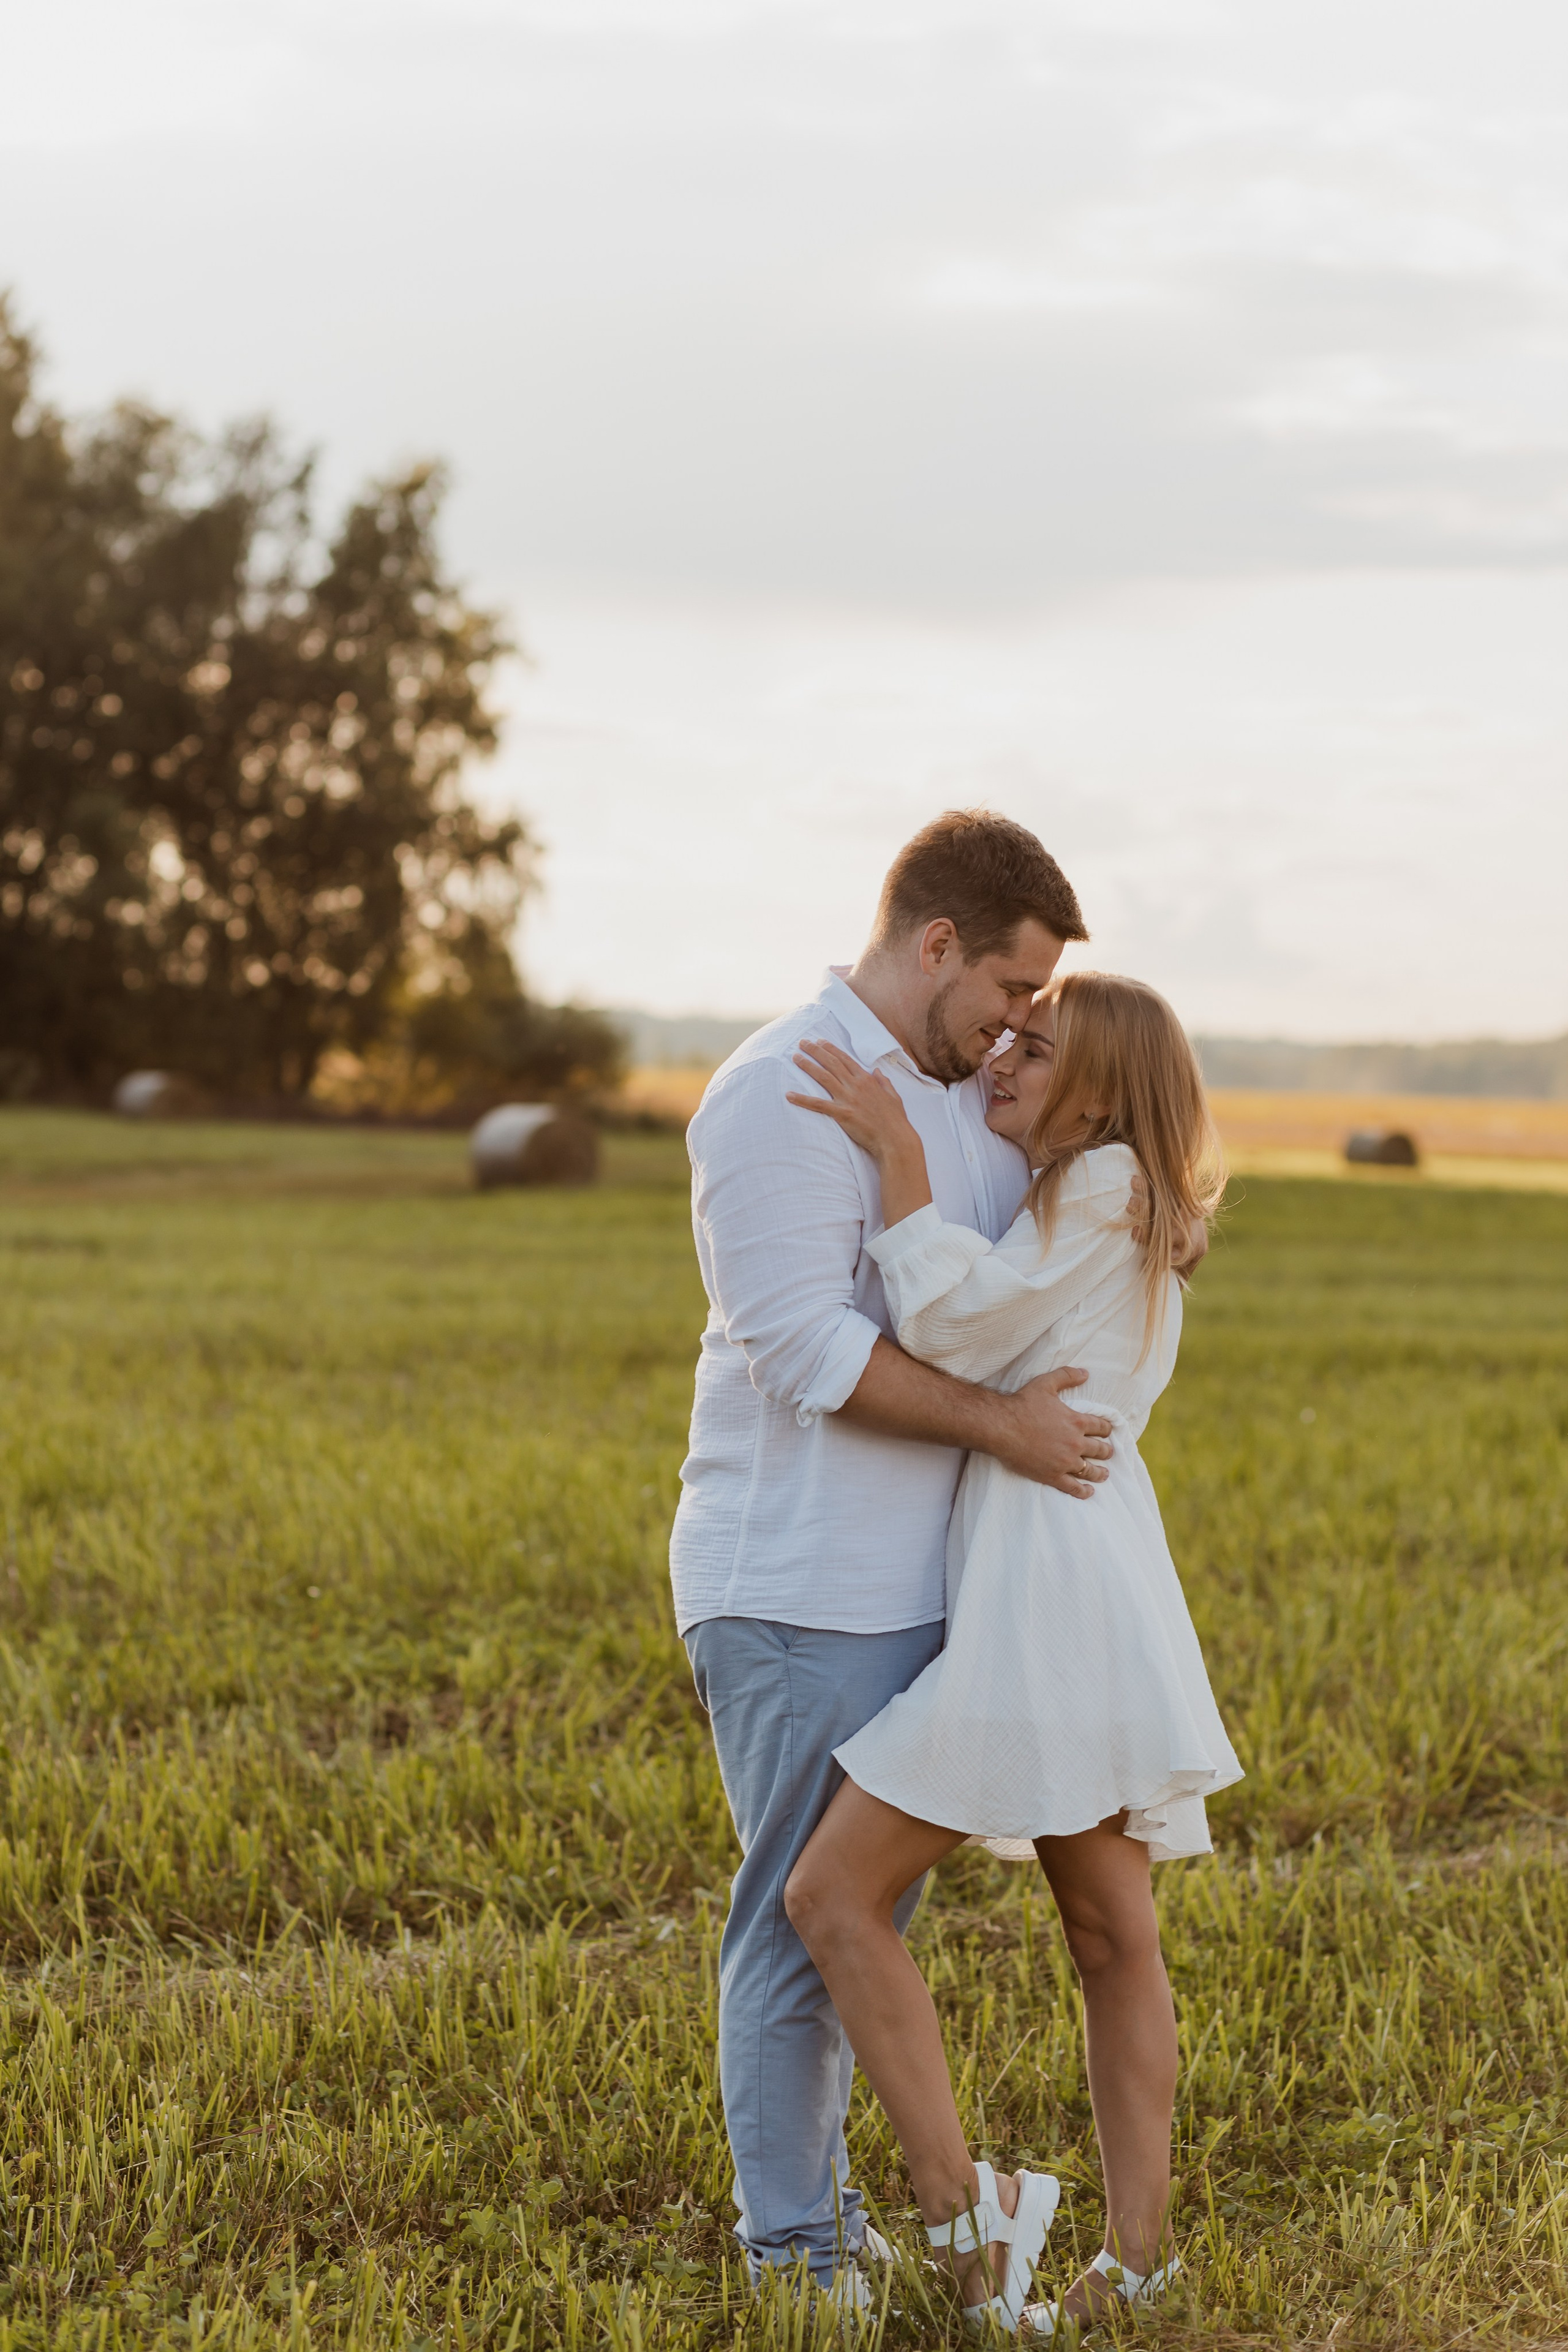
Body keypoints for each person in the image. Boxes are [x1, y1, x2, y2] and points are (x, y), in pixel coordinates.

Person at [670, 811, 1121, 2308]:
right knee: (800, 1922)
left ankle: (835, 2212)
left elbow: (994, 1289)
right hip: (797, 1583)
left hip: (916, 1589)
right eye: (1009, 989)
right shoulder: (779, 1091)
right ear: (937, 945)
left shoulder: (945, 1101)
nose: (1016, 1027)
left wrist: (1150, 1221)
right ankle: (792, 2254)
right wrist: (999, 1426)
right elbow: (803, 1345)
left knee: (854, 1921)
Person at [782, 971, 1242, 2337]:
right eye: (1005, 1037)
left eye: (1034, 1052)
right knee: (1109, 1935)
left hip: (1048, 1597)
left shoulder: (1098, 1189)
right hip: (1087, 1581)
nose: (1000, 1060)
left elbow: (953, 1330)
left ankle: (967, 2212)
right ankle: (1136, 2263)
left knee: (827, 1895)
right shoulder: (1112, 1200)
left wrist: (901, 1153)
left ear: (1101, 1097)